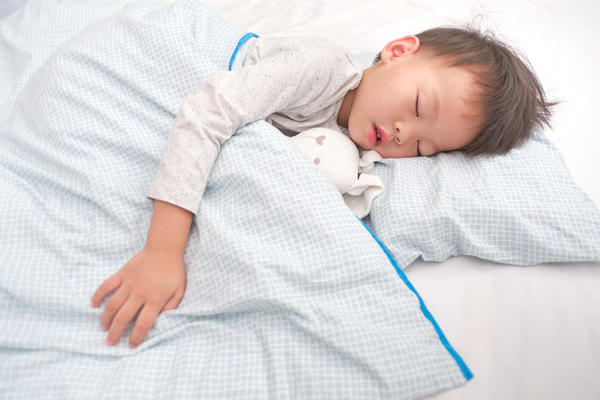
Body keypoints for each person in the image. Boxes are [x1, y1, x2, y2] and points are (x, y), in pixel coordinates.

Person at [90, 26, 555, 348]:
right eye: (417, 105)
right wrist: (163, 250)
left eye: (423, 149)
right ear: (396, 51)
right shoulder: (322, 69)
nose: (401, 135)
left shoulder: (360, 143)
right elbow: (210, 110)